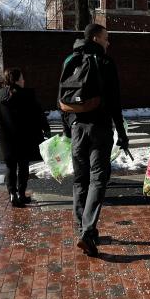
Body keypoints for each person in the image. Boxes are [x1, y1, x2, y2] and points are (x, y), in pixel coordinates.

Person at [60, 23, 128, 257]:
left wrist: (68, 128)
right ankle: (88, 232)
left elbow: (61, 96)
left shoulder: (70, 59)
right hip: (100, 127)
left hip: (77, 127)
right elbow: (115, 102)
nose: (109, 43)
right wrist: (122, 133)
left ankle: (82, 229)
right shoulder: (106, 63)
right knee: (98, 179)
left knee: (80, 180)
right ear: (97, 39)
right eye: (106, 38)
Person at [0, 67, 51, 208]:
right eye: (22, 78)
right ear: (17, 80)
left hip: (6, 138)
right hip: (25, 137)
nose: (24, 80)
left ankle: (12, 193)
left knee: (10, 167)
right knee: (23, 166)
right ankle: (21, 193)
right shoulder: (27, 95)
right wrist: (46, 129)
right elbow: (39, 114)